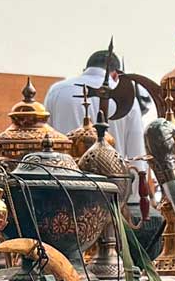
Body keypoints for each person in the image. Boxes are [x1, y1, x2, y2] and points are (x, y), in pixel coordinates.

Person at [45, 43, 155, 208]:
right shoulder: (128, 99)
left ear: (85, 68)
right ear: (116, 74)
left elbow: (45, 141)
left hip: (63, 191)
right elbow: (136, 156)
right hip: (113, 195)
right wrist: (134, 200)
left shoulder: (57, 91)